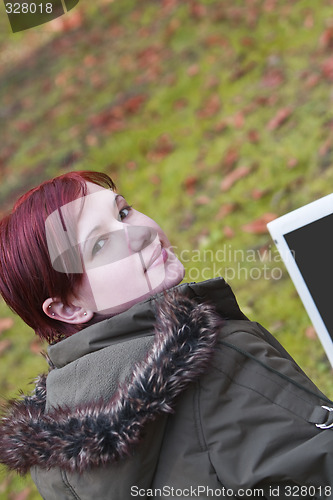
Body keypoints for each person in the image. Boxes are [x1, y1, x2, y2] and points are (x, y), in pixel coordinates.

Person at [0, 170, 333, 500]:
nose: (142, 232)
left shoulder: (57, 452)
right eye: (100, 244)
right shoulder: (212, 364)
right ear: (69, 309)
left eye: (123, 212)